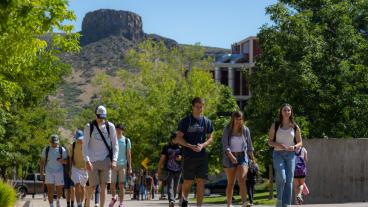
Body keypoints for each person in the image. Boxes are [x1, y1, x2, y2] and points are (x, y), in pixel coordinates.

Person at [174, 97, 214, 207]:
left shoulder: (207, 121)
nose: (199, 109)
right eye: (197, 107)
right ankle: (184, 199)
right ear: (193, 107)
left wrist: (203, 145)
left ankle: (199, 206)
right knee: (188, 181)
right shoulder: (185, 121)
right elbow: (178, 138)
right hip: (188, 155)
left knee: (201, 181)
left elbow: (211, 138)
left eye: (201, 107)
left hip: (201, 155)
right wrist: (190, 146)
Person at [83, 105, 119, 207]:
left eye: (103, 117)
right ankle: (87, 203)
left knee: (104, 186)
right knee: (92, 186)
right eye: (99, 117)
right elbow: (85, 145)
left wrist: (114, 160)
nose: (101, 119)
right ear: (96, 115)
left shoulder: (110, 126)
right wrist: (87, 160)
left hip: (106, 159)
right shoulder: (89, 126)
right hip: (92, 160)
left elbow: (115, 144)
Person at [268, 103, 302, 207]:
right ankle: (279, 200)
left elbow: (300, 142)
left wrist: (295, 147)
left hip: (291, 155)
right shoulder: (276, 125)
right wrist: (279, 145)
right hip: (278, 154)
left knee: (289, 179)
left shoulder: (295, 127)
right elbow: (269, 141)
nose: (287, 112)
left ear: (291, 112)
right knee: (282, 177)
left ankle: (286, 203)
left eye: (288, 110)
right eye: (284, 110)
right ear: (281, 112)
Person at [221, 111, 255, 207]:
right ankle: (229, 203)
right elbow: (225, 145)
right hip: (229, 157)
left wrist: (251, 158)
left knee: (242, 179)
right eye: (236, 119)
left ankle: (244, 202)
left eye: (240, 119)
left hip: (242, 156)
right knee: (231, 182)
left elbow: (249, 145)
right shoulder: (227, 130)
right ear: (233, 119)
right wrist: (231, 156)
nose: (238, 121)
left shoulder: (245, 130)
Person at [40, 135, 68, 207]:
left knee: (60, 191)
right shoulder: (46, 149)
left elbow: (67, 161)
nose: (54, 144)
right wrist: (41, 173)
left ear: (58, 142)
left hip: (59, 171)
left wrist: (62, 161)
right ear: (50, 142)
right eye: (53, 142)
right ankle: (51, 205)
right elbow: (42, 161)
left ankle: (58, 200)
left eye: (56, 142)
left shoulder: (62, 150)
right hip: (49, 171)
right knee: (50, 190)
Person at [109, 123, 132, 207]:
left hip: (123, 165)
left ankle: (121, 203)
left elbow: (129, 154)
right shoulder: (112, 140)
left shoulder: (126, 140)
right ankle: (114, 197)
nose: (118, 130)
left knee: (121, 185)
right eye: (117, 129)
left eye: (120, 129)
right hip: (113, 165)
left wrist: (130, 167)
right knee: (112, 184)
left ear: (122, 130)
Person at [158, 132, 183, 207]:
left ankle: (173, 200)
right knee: (170, 186)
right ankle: (171, 201)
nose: (177, 140)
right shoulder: (166, 147)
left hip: (178, 170)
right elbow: (162, 158)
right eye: (176, 139)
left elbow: (184, 157)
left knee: (175, 186)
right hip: (168, 169)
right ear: (172, 139)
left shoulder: (181, 147)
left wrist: (181, 158)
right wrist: (159, 168)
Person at [70, 130, 88, 207]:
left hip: (85, 168)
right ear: (76, 138)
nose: (80, 140)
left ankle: (82, 201)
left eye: (81, 138)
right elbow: (70, 157)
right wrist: (70, 169)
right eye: (79, 139)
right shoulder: (73, 145)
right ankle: (79, 204)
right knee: (77, 185)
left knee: (83, 187)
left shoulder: (86, 145)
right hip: (75, 168)